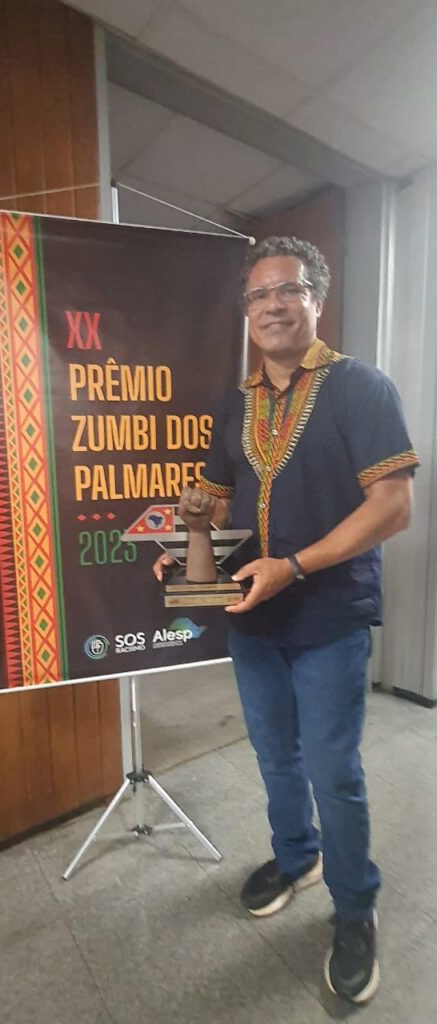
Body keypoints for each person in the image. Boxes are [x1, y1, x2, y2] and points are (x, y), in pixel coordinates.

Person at [153, 235, 418, 1004]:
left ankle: (354, 907)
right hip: (252, 617)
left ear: (315, 301)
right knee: (274, 757)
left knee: (332, 770)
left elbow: (392, 505)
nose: (272, 305)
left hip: (328, 615)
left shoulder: (359, 387)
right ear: (245, 311)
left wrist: (295, 565)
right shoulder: (232, 402)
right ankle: (296, 855)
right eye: (258, 295)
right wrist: (184, 546)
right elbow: (216, 501)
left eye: (288, 290)